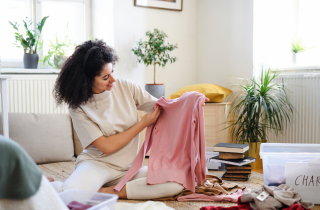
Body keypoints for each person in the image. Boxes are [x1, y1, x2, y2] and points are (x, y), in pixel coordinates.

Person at [52, 39, 189, 200]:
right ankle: (50, 185)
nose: (113, 80)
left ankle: (104, 193)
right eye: (105, 77)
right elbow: (107, 146)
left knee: (177, 180)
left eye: (113, 72)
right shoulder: (78, 107)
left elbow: (162, 107)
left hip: (129, 169)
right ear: (87, 81)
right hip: (97, 165)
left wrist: (191, 101)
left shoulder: (126, 87)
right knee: (67, 197)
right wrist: (142, 124)